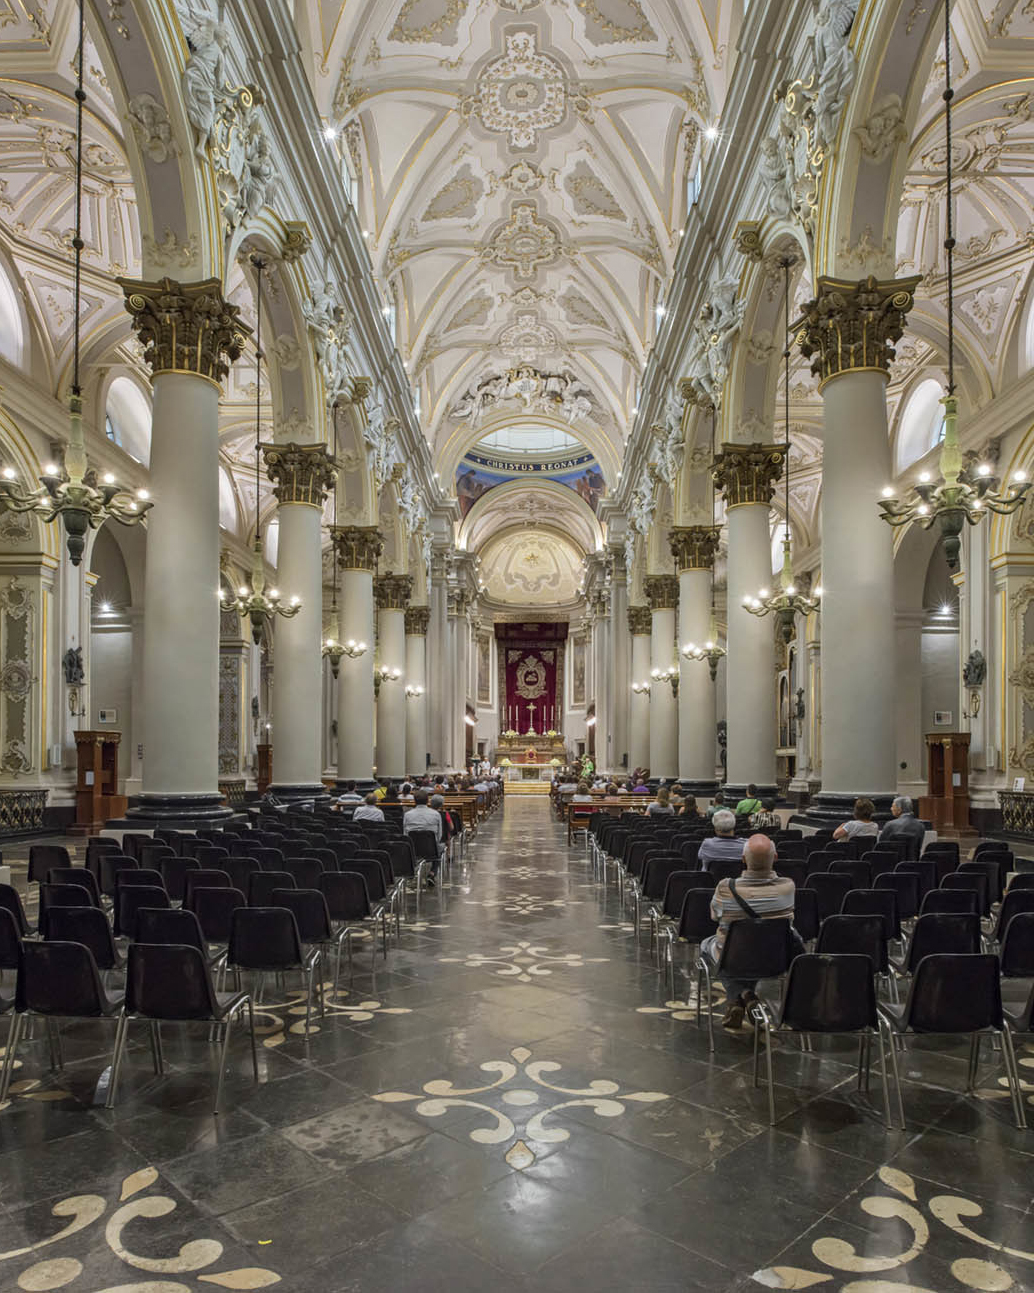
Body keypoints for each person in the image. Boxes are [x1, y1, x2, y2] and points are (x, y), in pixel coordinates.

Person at [700, 834, 796, 1029]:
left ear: (743, 860)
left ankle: (740, 997)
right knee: (750, 948)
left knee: (708, 945)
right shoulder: (788, 887)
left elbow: (714, 916)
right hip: (775, 958)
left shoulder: (726, 887)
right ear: (775, 858)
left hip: (734, 956)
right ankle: (746, 996)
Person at [403, 787, 444, 884]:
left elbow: (405, 834)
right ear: (427, 801)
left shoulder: (407, 815)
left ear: (414, 801)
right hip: (431, 849)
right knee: (440, 847)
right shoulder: (435, 814)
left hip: (413, 849)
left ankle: (411, 872)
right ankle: (432, 873)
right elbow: (439, 835)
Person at [879, 795, 926, 860]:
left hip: (891, 863)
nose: (891, 809)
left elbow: (881, 847)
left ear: (899, 809)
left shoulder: (890, 825)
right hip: (913, 864)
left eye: (893, 806)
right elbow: (918, 848)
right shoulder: (920, 827)